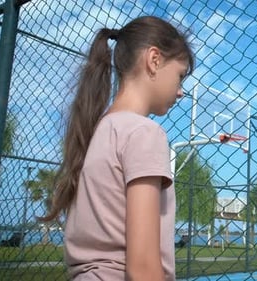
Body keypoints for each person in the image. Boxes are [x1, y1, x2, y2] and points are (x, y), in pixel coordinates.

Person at [40, 16, 194, 280]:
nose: (180, 92)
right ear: (154, 60)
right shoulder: (145, 133)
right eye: (180, 76)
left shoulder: (96, 131)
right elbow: (142, 268)